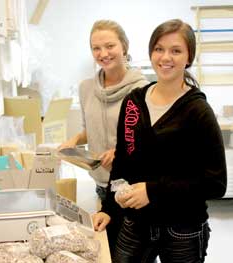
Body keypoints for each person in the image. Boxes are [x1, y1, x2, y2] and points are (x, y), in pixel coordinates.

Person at [92, 19, 227, 263]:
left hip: (182, 230)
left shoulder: (198, 111)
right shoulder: (134, 101)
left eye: (176, 50)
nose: (166, 57)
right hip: (136, 222)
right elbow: (122, 161)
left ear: (189, 57)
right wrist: (109, 209)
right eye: (159, 49)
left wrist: (153, 191)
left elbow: (215, 182)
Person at [59, 19, 148, 253]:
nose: (103, 53)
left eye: (110, 46)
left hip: (131, 187)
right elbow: (91, 129)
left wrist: (120, 153)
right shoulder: (86, 88)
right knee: (106, 252)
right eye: (96, 48)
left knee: (133, 255)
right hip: (100, 185)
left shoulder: (141, 89)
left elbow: (146, 140)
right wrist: (74, 141)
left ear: (124, 47)